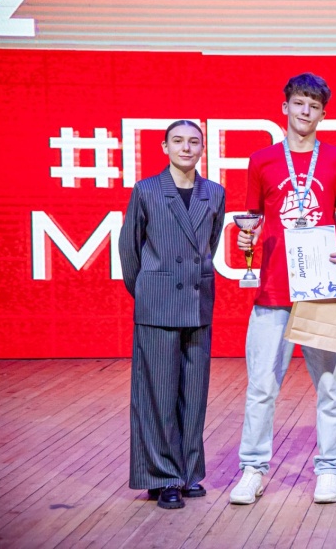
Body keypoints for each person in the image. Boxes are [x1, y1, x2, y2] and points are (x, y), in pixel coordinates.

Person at [229, 73, 336, 505]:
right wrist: (245, 239)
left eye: (314, 106)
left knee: (329, 387)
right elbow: (251, 219)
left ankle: (328, 470)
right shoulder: (261, 160)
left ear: (323, 114)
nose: (305, 111)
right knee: (262, 386)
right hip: (272, 290)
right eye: (299, 103)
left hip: (320, 289)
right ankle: (253, 469)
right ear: (285, 107)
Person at [120, 120, 226, 509]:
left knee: (193, 395)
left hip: (197, 303)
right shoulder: (147, 190)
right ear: (165, 147)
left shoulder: (214, 193)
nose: (186, 148)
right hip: (158, 304)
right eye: (178, 141)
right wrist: (149, 290)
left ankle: (189, 472)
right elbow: (129, 250)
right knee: (158, 395)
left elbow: (210, 244)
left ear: (202, 148)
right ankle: (163, 477)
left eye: (193, 142)